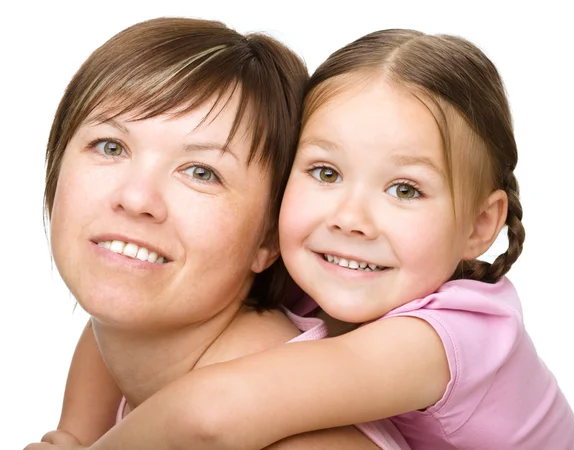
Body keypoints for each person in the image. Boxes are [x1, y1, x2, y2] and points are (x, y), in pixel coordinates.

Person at [32, 28, 574, 450]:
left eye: (405, 188)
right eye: (325, 174)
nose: (350, 219)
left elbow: (212, 413)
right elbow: (112, 324)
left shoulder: (448, 337)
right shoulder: (321, 285)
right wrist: (72, 432)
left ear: (479, 226)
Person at [24, 17, 402, 450]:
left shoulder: (298, 436)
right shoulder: (117, 341)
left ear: (269, 239)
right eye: (111, 146)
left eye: (201, 172)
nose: (135, 197)